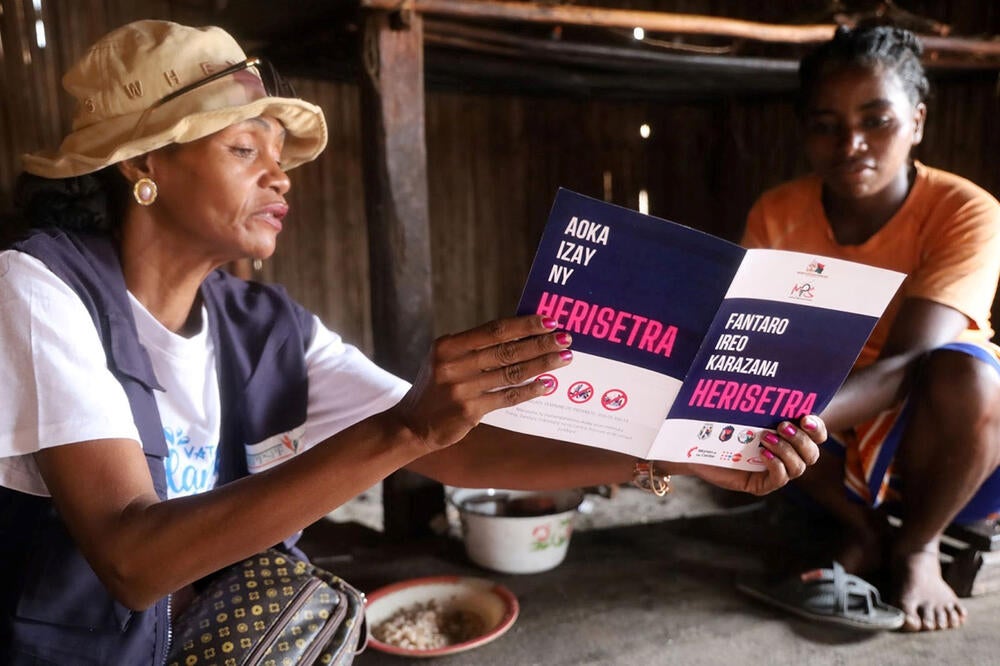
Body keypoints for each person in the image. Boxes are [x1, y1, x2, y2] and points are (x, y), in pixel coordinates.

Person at [0, 20, 825, 664]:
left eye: (280, 155)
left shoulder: (265, 327)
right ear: (142, 163)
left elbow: (459, 455)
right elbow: (133, 562)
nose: (279, 177)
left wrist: (671, 453)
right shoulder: (40, 290)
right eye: (243, 148)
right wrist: (409, 428)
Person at [741, 24, 1000, 632]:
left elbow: (911, 362)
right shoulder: (776, 213)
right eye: (826, 124)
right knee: (747, 379)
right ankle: (865, 529)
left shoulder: (965, 210)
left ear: (917, 122)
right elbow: (756, 340)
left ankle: (918, 546)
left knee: (964, 370)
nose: (850, 142)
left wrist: (788, 423)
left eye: (876, 120)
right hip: (825, 445)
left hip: (947, 447)